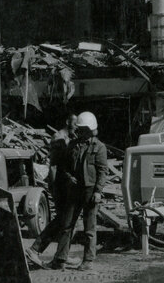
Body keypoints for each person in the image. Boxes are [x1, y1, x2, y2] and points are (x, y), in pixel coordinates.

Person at [49, 111, 108, 271]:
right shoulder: (73, 145)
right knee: (67, 225)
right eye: (80, 129)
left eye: (84, 129)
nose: (80, 131)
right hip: (74, 190)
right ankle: (60, 259)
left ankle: (88, 260)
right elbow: (64, 166)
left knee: (89, 228)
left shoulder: (99, 147)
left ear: (91, 129)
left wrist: (98, 191)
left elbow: (103, 171)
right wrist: (69, 177)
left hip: (90, 191)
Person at [26, 114, 78, 268]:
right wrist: (54, 187)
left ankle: (62, 255)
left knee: (67, 221)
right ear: (68, 122)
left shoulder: (70, 137)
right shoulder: (58, 138)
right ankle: (35, 249)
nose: (77, 127)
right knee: (61, 220)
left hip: (68, 185)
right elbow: (53, 165)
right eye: (75, 124)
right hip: (60, 185)